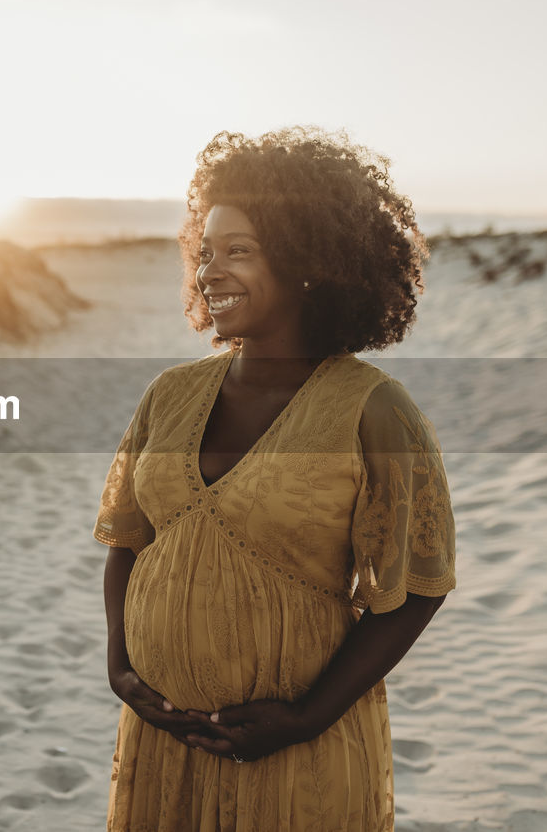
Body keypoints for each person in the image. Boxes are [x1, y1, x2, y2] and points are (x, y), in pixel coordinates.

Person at [93, 125, 457, 831]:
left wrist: (302, 718)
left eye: (240, 251)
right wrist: (120, 667)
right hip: (164, 747)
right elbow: (129, 542)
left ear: (307, 259)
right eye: (205, 253)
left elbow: (415, 591)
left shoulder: (374, 410)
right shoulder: (169, 394)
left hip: (296, 756)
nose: (210, 272)